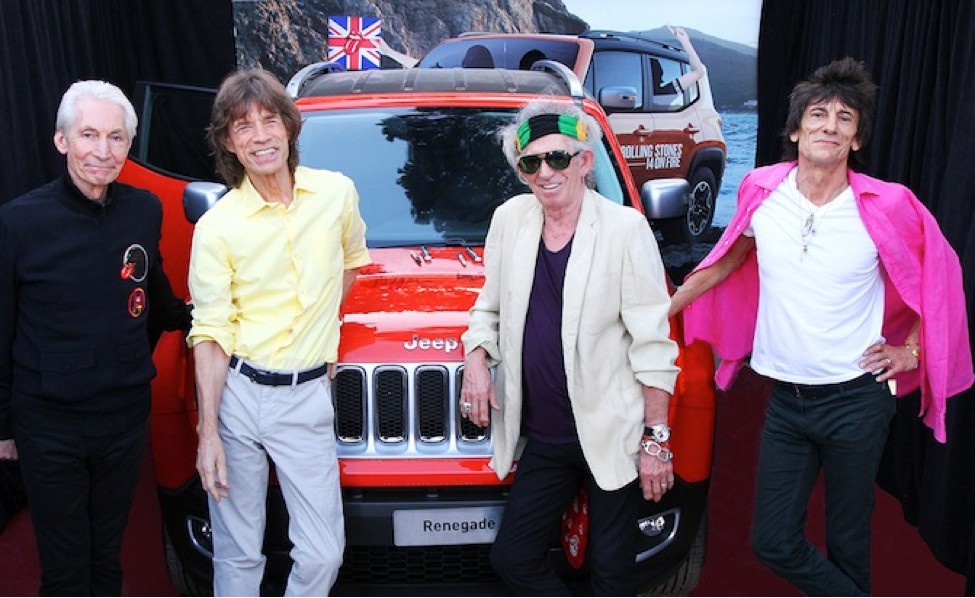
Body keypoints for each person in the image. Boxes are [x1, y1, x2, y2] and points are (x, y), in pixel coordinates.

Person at [669, 57, 974, 596]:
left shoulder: (886, 205)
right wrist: (659, 313)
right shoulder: (762, 191)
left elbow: (939, 275)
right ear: (795, 131)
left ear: (857, 139)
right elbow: (723, 262)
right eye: (818, 114)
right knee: (772, 541)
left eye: (844, 118)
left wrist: (913, 351)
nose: (830, 126)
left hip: (856, 400)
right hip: (787, 402)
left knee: (848, 546)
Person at [460, 98, 680, 595]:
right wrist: (475, 357)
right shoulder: (509, 220)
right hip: (546, 436)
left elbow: (653, 346)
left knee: (612, 574)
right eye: (531, 162)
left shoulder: (625, 229)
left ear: (584, 162)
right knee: (513, 558)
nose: (545, 172)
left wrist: (655, 442)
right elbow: (487, 309)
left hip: (612, 432)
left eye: (558, 157)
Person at [0, 79, 192, 596]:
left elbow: (151, 288)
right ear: (61, 140)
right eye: (88, 135)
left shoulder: (144, 209)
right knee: (65, 572)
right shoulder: (17, 223)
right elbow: (2, 327)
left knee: (108, 560)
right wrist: (3, 426)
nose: (102, 151)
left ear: (129, 145)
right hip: (50, 426)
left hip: (123, 421)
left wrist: (199, 320)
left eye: (115, 137)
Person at [187, 68, 371, 596]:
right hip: (239, 395)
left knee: (322, 553)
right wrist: (208, 433)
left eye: (270, 120)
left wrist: (323, 331)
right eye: (243, 126)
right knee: (238, 552)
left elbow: (351, 263)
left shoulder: (336, 194)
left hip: (305, 397)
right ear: (229, 142)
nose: (260, 136)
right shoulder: (217, 227)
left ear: (290, 127)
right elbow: (211, 333)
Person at [652, 26, 705, 105]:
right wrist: (684, 41)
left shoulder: (662, 95)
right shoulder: (663, 95)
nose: (662, 80)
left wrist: (684, 41)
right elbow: (698, 72)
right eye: (660, 76)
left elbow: (699, 72)